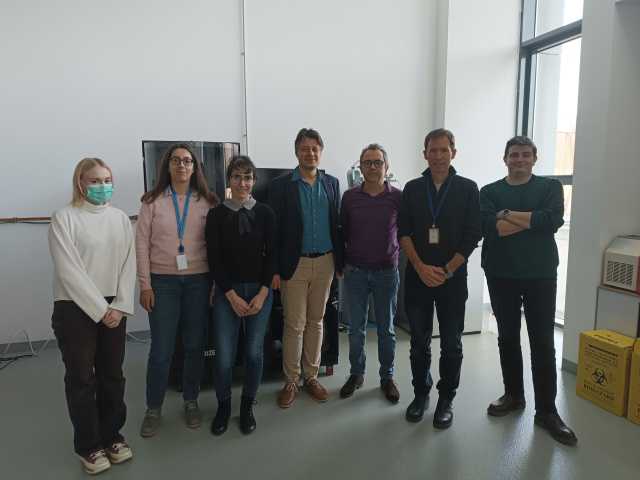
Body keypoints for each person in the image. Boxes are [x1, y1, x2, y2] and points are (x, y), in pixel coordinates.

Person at [480, 135, 577, 446]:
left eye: (525, 154)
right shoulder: (489, 191)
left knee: (543, 343)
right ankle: (513, 395)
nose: (519, 159)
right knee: (507, 338)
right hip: (501, 274)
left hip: (540, 275)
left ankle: (547, 411)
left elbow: (552, 221)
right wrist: (531, 220)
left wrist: (506, 214)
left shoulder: (550, 187)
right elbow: (492, 227)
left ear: (535, 158)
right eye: (514, 155)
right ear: (505, 159)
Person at [49, 157, 135, 475]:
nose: (103, 186)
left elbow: (129, 264)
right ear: (80, 183)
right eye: (95, 181)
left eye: (107, 180)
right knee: (82, 378)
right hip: (75, 307)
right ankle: (89, 446)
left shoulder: (120, 219)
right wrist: (100, 310)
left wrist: (120, 305)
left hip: (115, 306)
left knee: (112, 375)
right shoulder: (64, 218)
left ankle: (112, 436)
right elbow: (69, 270)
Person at [398, 128, 481, 428]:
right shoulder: (412, 189)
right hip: (418, 277)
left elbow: (473, 234)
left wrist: (447, 269)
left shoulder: (468, 188)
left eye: (444, 150)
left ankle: (446, 398)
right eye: (432, 150)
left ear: (453, 153)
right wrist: (420, 267)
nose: (438, 156)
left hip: (452, 279)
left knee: (451, 343)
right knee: (418, 342)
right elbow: (404, 232)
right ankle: (421, 394)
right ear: (425, 154)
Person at [136, 143, 218, 437]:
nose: (181, 165)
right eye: (176, 160)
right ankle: (153, 408)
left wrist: (214, 284)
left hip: (198, 282)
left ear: (195, 167)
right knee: (162, 349)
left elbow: (215, 246)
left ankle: (191, 400)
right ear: (167, 166)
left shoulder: (207, 202)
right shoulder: (152, 201)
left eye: (187, 160)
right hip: (163, 283)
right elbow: (141, 245)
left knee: (195, 346)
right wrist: (145, 285)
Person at [268, 128, 344, 408]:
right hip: (294, 264)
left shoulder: (332, 184)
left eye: (314, 148)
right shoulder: (281, 186)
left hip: (326, 262)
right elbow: (274, 231)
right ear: (296, 152)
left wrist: (340, 262)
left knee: (317, 321)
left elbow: (338, 224)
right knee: (294, 324)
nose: (310, 153)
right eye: (304, 148)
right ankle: (291, 381)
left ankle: (311, 377)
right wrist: (274, 269)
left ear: (320, 152)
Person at [205, 155, 276, 435]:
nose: (242, 183)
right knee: (224, 356)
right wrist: (231, 296)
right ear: (229, 180)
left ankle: (247, 406)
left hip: (260, 291)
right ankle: (224, 406)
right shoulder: (216, 215)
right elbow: (215, 260)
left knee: (254, 353)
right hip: (228, 293)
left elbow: (272, 256)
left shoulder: (266, 213)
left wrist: (263, 293)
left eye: (248, 177)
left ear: (254, 181)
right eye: (237, 177)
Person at [339, 143, 402, 403]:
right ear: (361, 167)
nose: (373, 167)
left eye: (378, 162)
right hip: (355, 272)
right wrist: (341, 265)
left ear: (386, 166)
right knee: (356, 329)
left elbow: (406, 231)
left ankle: (387, 377)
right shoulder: (349, 197)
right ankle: (357, 373)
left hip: (386, 272)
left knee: (387, 329)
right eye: (367, 162)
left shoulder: (397, 197)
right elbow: (343, 231)